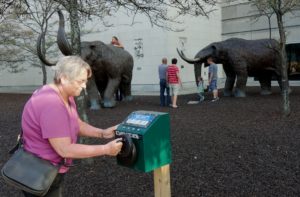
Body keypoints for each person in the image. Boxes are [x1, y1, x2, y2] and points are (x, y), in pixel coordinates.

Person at [21, 56, 123, 197]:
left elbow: (76, 123)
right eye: (80, 81)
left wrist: (103, 133)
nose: (84, 86)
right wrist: (106, 149)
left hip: (48, 169)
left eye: (85, 81)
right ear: (63, 78)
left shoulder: (64, 95)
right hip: (40, 173)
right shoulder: (51, 103)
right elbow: (65, 149)